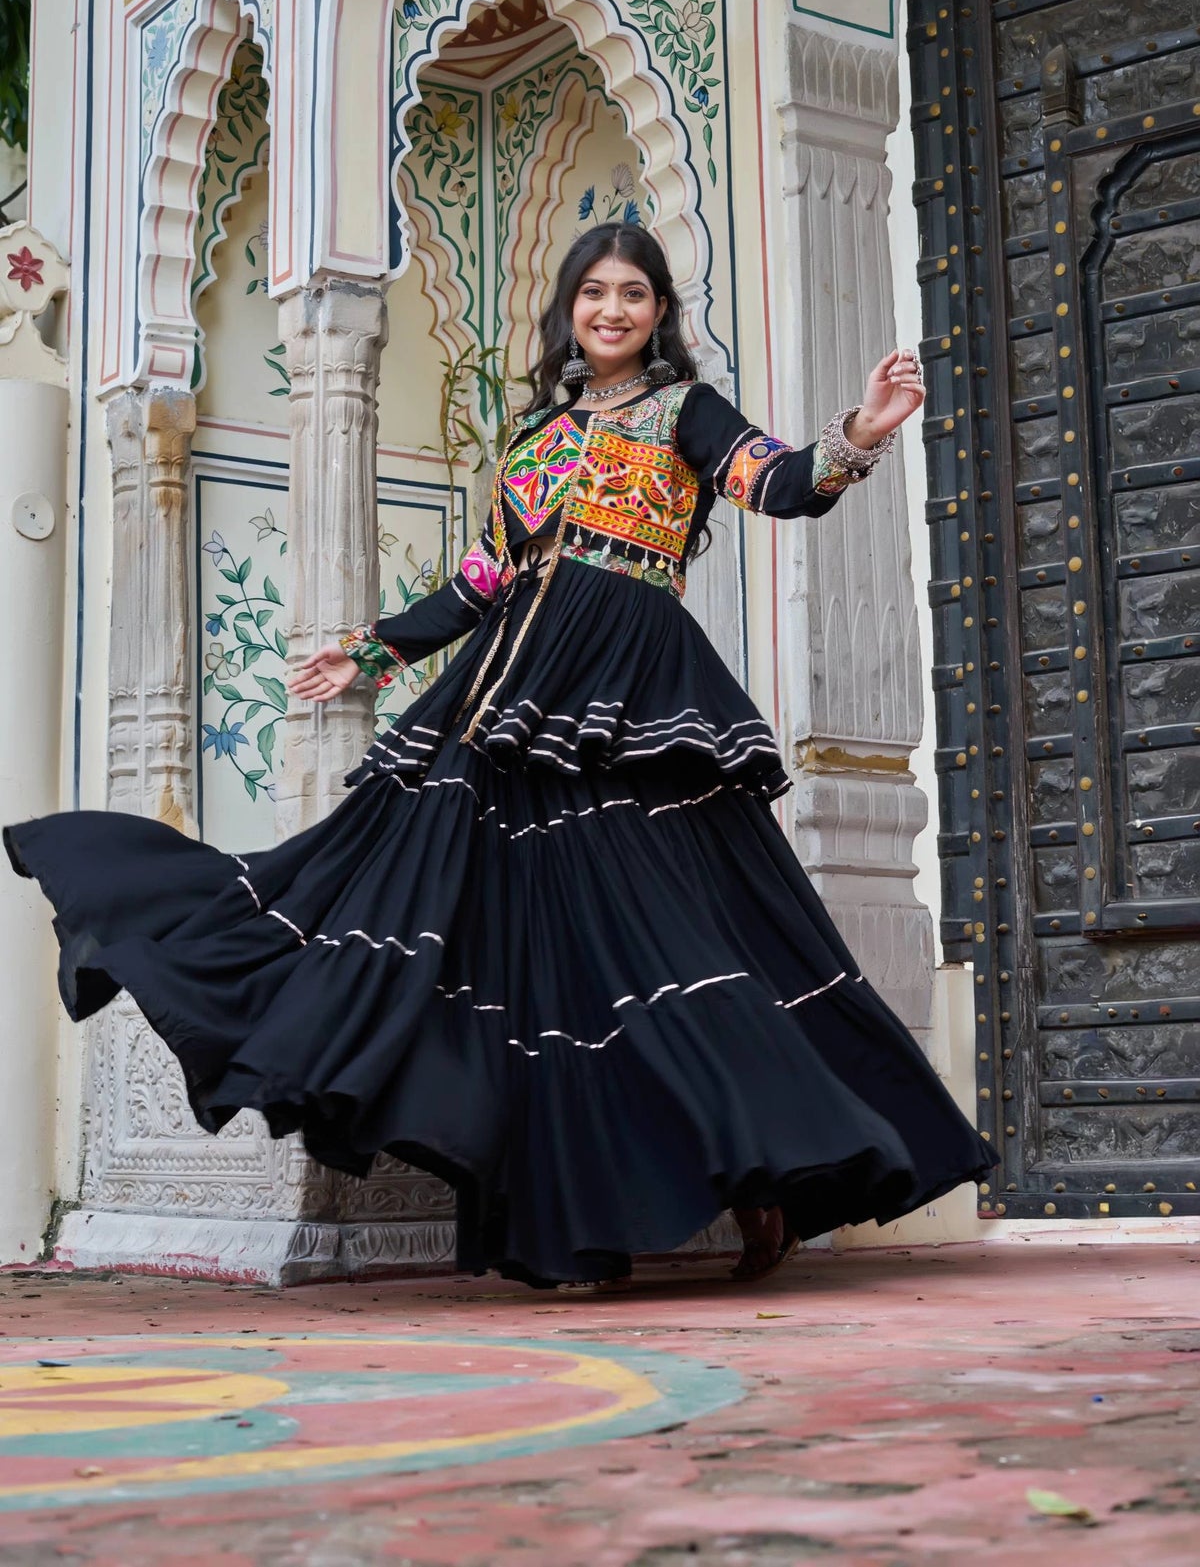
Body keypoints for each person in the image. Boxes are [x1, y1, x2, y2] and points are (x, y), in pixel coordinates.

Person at [6, 223, 996, 1289]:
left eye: (633, 295)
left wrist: (863, 430)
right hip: (509, 688)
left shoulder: (685, 413)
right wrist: (371, 652)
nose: (612, 310)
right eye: (593, 294)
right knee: (529, 942)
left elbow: (784, 484)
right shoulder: (532, 438)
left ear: (659, 313)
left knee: (683, 930)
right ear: (567, 308)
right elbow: (485, 578)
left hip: (630, 682)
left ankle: (771, 1182)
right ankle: (580, 1206)